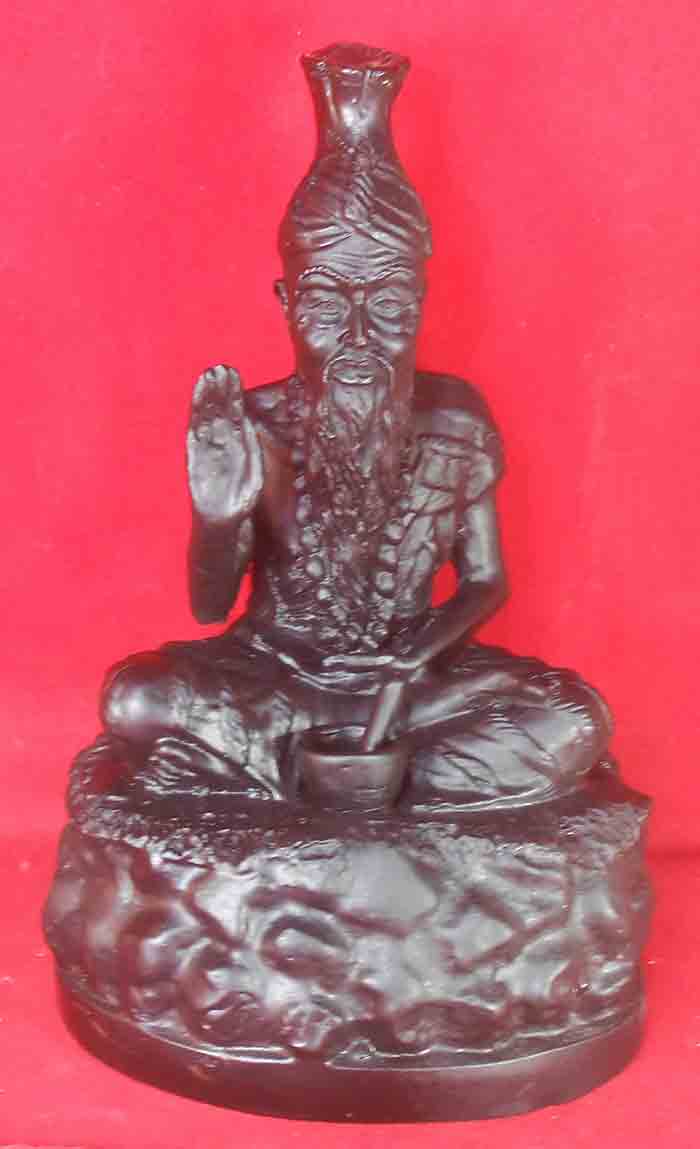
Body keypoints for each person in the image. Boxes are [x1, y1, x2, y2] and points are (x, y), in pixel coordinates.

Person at [100, 43, 611, 807]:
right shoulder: (256, 422)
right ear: (287, 305)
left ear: (421, 303)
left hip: (412, 685)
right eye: (327, 307)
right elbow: (210, 607)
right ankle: (378, 779)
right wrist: (217, 516)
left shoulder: (457, 420)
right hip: (276, 675)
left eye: (390, 306)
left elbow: (485, 579)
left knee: (573, 715)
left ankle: (303, 779)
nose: (360, 338)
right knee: (137, 699)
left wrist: (416, 655)